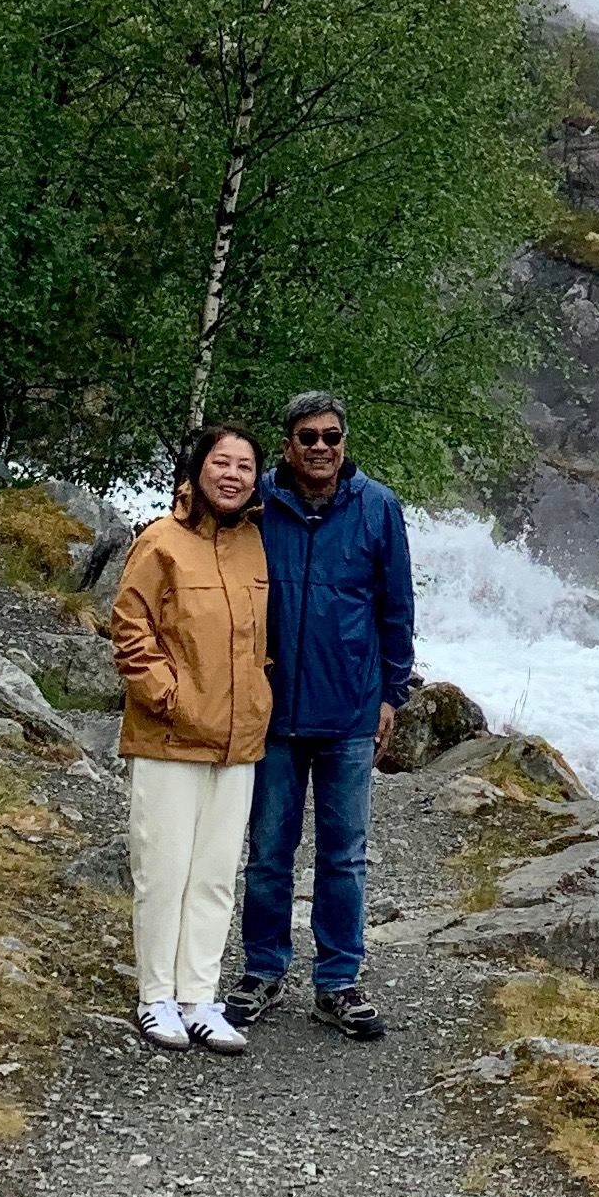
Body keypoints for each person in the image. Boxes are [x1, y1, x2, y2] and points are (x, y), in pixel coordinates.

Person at [227, 389, 414, 1042]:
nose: (321, 448)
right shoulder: (258, 505)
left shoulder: (378, 508)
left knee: (345, 856)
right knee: (270, 851)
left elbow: (396, 610)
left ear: (344, 442)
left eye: (331, 437)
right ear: (287, 445)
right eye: (308, 437)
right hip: (272, 712)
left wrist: (392, 694)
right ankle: (262, 972)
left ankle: (338, 982)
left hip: (350, 711)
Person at [107, 419, 272, 1055]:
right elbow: (130, 626)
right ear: (199, 469)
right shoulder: (161, 542)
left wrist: (262, 696)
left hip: (238, 740)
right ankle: (156, 998)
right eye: (221, 463)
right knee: (163, 870)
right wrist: (167, 697)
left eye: (245, 467)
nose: (232, 476)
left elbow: (263, 640)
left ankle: (199, 999)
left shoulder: (257, 545)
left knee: (213, 876)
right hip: (170, 736)